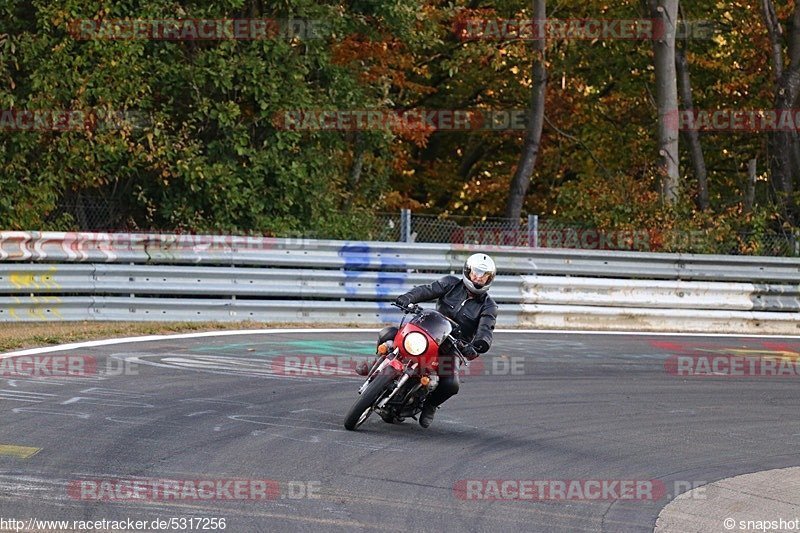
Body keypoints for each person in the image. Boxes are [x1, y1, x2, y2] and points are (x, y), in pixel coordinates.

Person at [356, 253, 498, 428]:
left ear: (489, 278)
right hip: (427, 329)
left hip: (451, 347)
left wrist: (478, 345)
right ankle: (377, 362)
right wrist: (408, 298)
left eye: (483, 275)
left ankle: (430, 406)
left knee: (451, 384)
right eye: (475, 272)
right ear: (467, 272)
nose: (478, 277)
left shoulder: (488, 306)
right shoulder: (451, 283)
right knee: (388, 333)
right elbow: (427, 290)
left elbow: (486, 329)